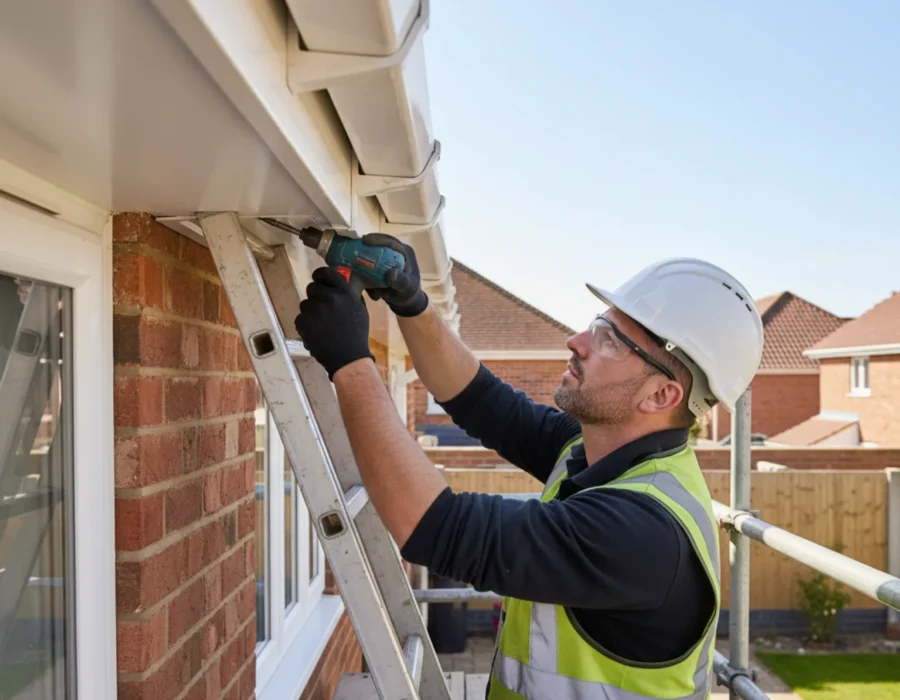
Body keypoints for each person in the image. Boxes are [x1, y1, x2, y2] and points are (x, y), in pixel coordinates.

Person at [295, 234, 764, 700]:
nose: (576, 342)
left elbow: (434, 527)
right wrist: (413, 305)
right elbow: (482, 401)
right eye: (597, 325)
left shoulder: (641, 534)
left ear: (661, 395)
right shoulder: (598, 451)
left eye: (610, 341)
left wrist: (350, 362)